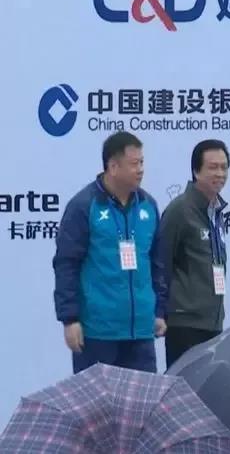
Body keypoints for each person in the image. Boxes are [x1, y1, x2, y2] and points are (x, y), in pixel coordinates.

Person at [53, 131, 167, 374]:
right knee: (97, 401)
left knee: (142, 399)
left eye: (142, 162)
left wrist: (159, 311)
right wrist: (70, 319)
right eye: (134, 164)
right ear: (113, 167)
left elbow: (158, 263)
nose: (141, 170)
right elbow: (66, 264)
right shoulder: (84, 206)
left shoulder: (148, 206)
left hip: (141, 332)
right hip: (98, 333)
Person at [159, 140, 230, 368]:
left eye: (224, 167)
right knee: (182, 386)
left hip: (212, 321)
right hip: (184, 323)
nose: (220, 173)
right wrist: (160, 312)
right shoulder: (180, 210)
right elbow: (161, 263)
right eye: (213, 167)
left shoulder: (216, 212)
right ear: (196, 171)